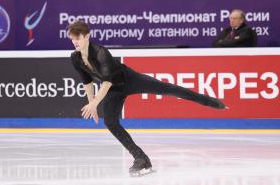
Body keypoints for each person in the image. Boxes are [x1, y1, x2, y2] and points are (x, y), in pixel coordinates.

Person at [68, 21, 227, 176]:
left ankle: (208, 101)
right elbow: (87, 82)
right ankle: (141, 158)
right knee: (110, 122)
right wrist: (91, 103)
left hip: (130, 80)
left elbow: (107, 81)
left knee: (167, 89)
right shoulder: (75, 57)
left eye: (78, 38)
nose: (75, 42)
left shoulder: (101, 52)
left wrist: (95, 102)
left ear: (87, 36)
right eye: (72, 39)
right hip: (113, 91)